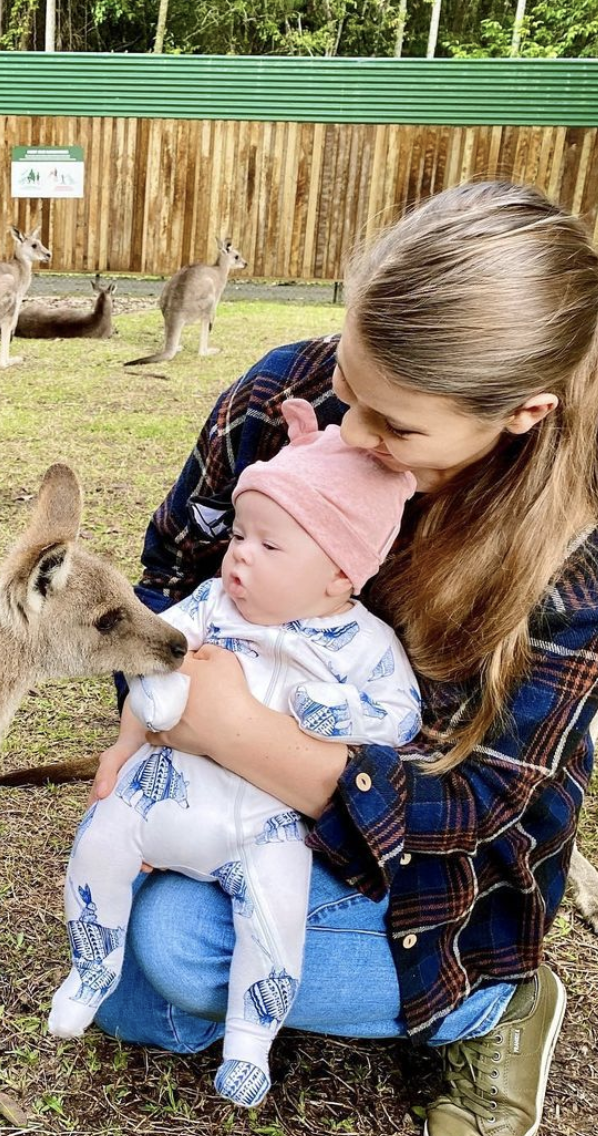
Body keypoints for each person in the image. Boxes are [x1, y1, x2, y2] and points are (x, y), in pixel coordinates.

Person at [90, 181, 598, 1136]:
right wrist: (159, 711)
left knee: (176, 946)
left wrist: (235, 731)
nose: (349, 432)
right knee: (129, 983)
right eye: (353, 389)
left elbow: (483, 804)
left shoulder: (570, 554)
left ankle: (497, 1002)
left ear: (523, 414)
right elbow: (168, 573)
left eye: (396, 427)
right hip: (237, 783)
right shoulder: (279, 395)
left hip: (426, 845)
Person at [48, 398, 422, 1109]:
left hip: (269, 822)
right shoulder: (212, 603)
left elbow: (400, 717)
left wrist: (339, 711)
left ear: (341, 576)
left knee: (272, 919)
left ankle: (251, 1040)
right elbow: (153, 655)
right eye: (240, 535)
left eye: (270, 545)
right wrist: (127, 747)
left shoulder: (362, 644)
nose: (241, 554)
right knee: (101, 840)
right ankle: (89, 966)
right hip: (171, 789)